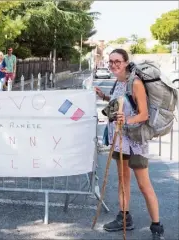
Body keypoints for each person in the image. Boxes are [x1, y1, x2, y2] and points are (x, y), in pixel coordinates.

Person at [95, 48, 164, 240]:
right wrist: (103, 97)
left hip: (135, 141)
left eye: (117, 61)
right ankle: (124, 217)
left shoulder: (135, 82)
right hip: (119, 141)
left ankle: (156, 226)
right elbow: (121, 103)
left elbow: (143, 114)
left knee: (143, 184)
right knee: (123, 181)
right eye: (111, 62)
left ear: (126, 62)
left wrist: (125, 120)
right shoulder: (118, 81)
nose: (113, 64)